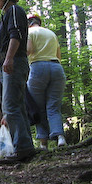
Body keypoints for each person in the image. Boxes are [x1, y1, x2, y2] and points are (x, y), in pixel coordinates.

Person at [0, 0, 35, 160]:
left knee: (10, 105)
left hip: (13, 63)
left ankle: (22, 148)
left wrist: (9, 59)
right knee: (18, 105)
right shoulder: (7, 13)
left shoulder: (14, 10)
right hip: (10, 64)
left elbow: (16, 36)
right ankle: (25, 146)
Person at [26, 13, 67, 150]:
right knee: (54, 106)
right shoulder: (51, 33)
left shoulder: (29, 32)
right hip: (56, 68)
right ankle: (60, 138)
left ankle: (43, 143)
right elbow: (58, 55)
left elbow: (29, 50)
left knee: (37, 107)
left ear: (28, 23)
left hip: (38, 67)